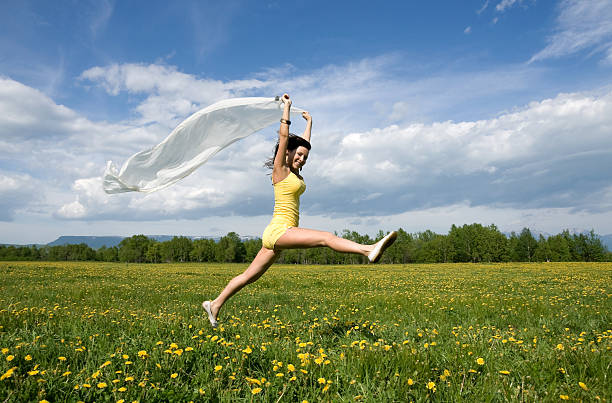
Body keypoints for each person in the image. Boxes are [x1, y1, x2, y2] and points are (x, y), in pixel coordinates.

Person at [202, 94, 397, 328]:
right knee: (326, 238)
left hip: (279, 232)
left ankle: (214, 304)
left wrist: (309, 123)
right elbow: (284, 137)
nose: (302, 159)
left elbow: (303, 144)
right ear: (287, 153)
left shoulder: (294, 172)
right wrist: (286, 109)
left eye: (306, 157)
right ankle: (368, 250)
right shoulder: (280, 170)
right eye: (299, 155)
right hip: (280, 230)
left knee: (248, 277)